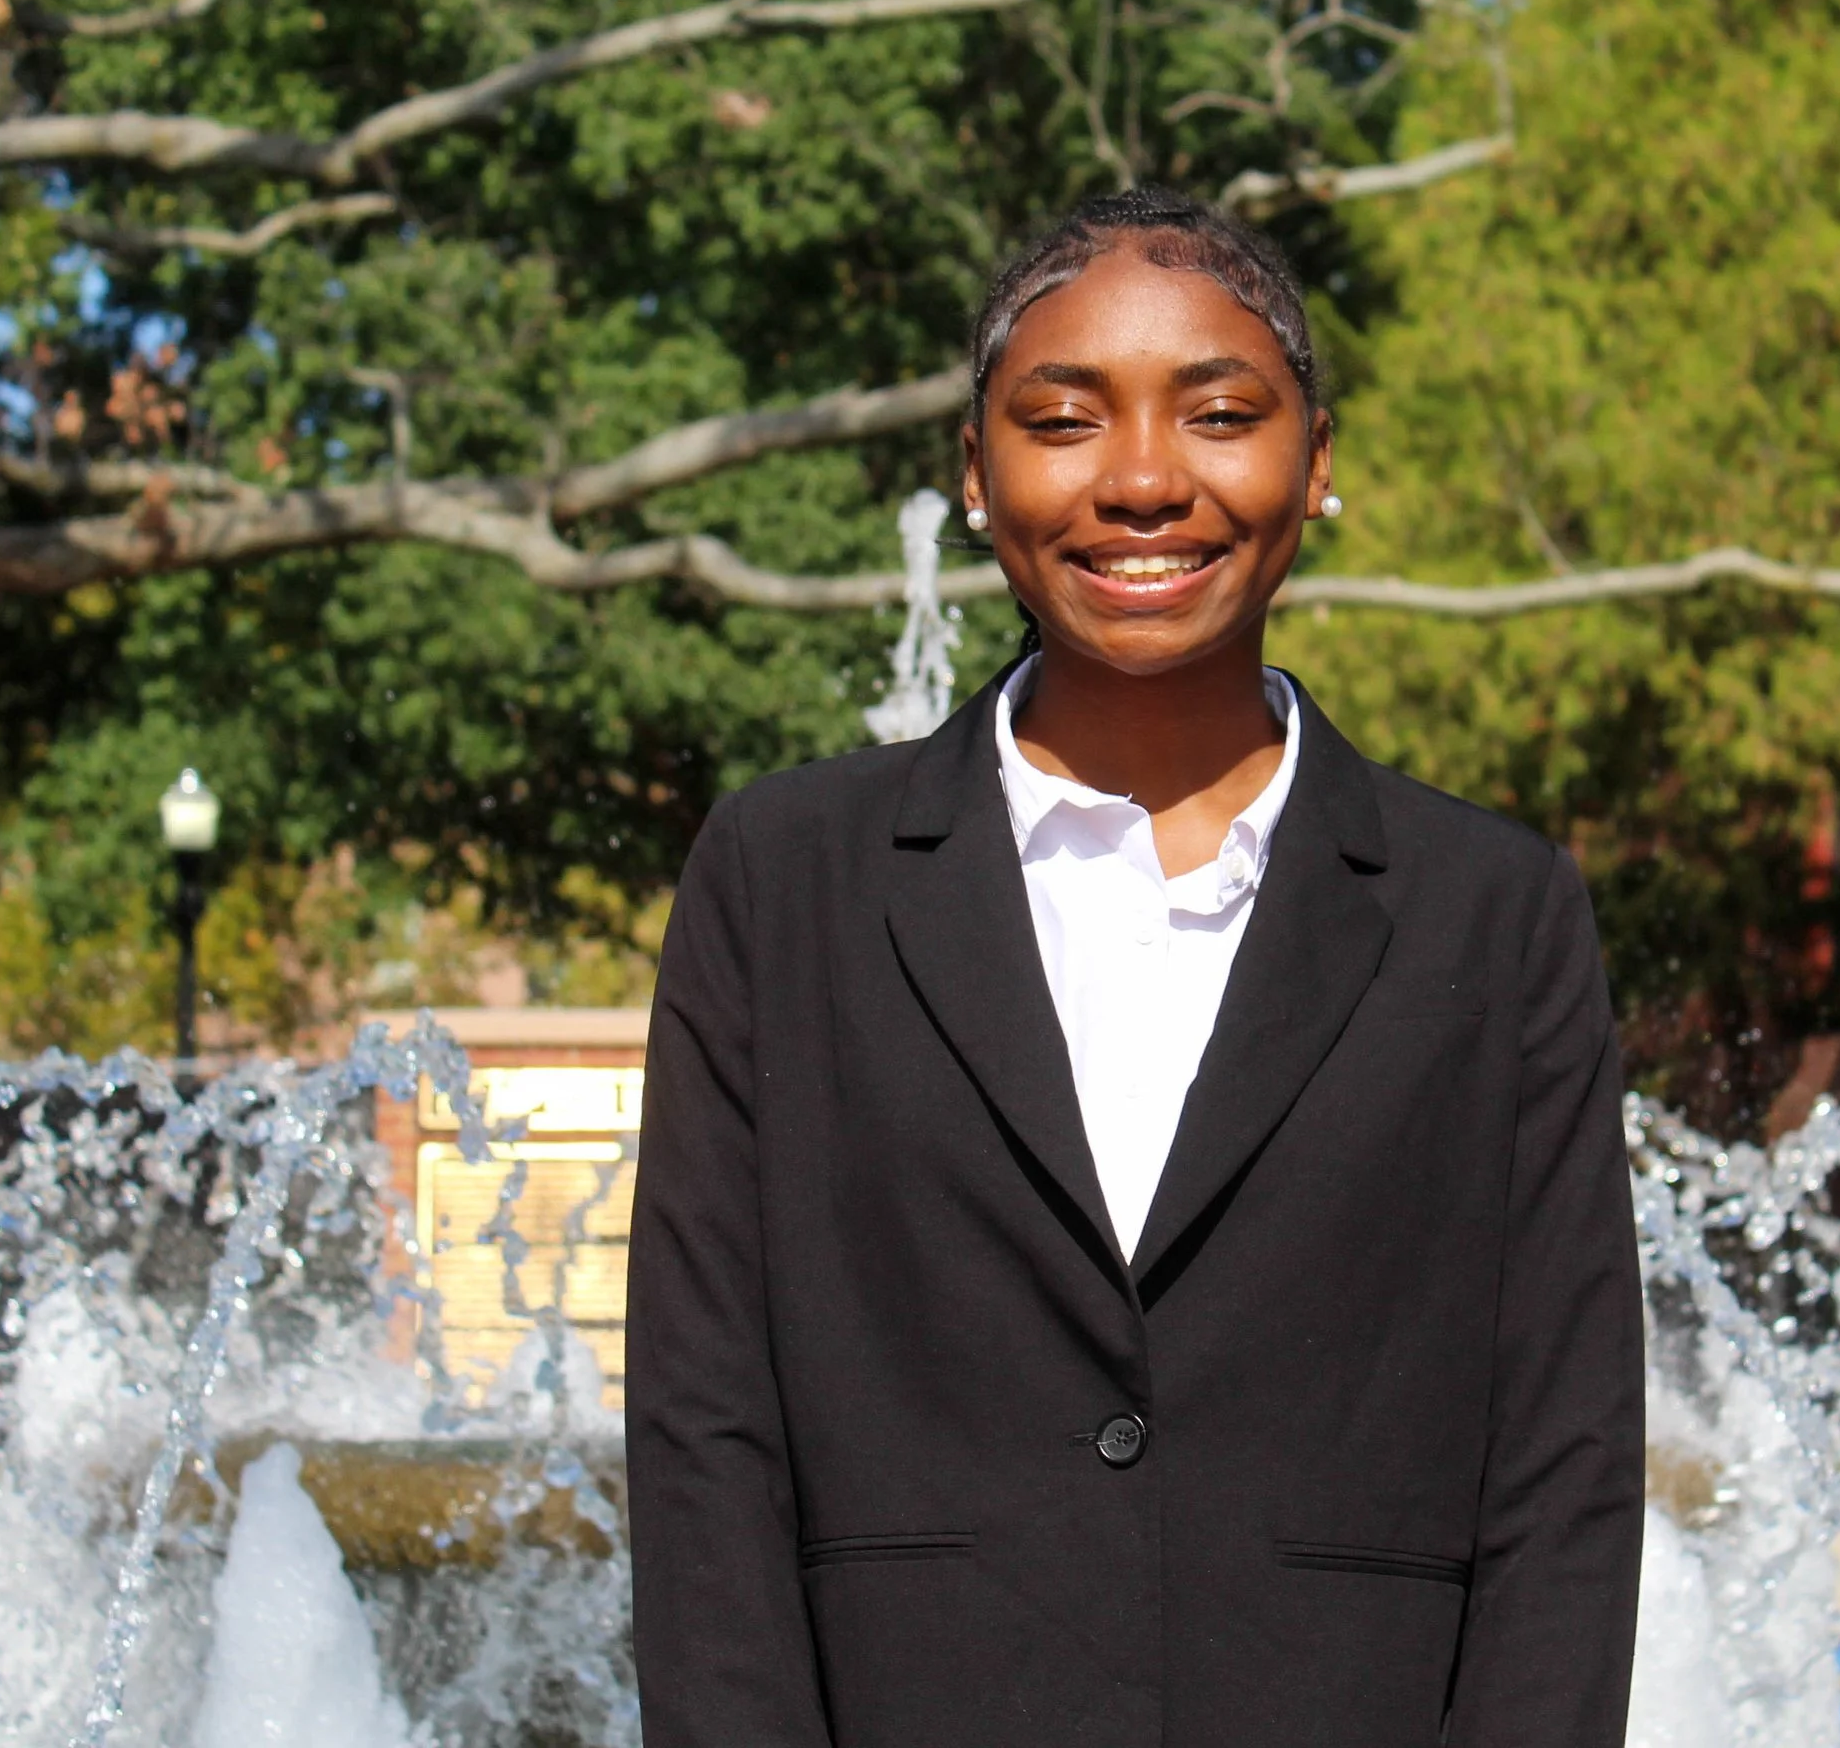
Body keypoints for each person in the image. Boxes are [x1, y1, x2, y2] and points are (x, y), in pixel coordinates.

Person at [627, 189, 1643, 1748]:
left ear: (1319, 463)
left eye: (1223, 413)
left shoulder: (1490, 914)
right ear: (975, 472)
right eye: (1064, 419)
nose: (1148, 481)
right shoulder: (785, 884)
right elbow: (706, 1445)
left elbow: (1564, 1473)